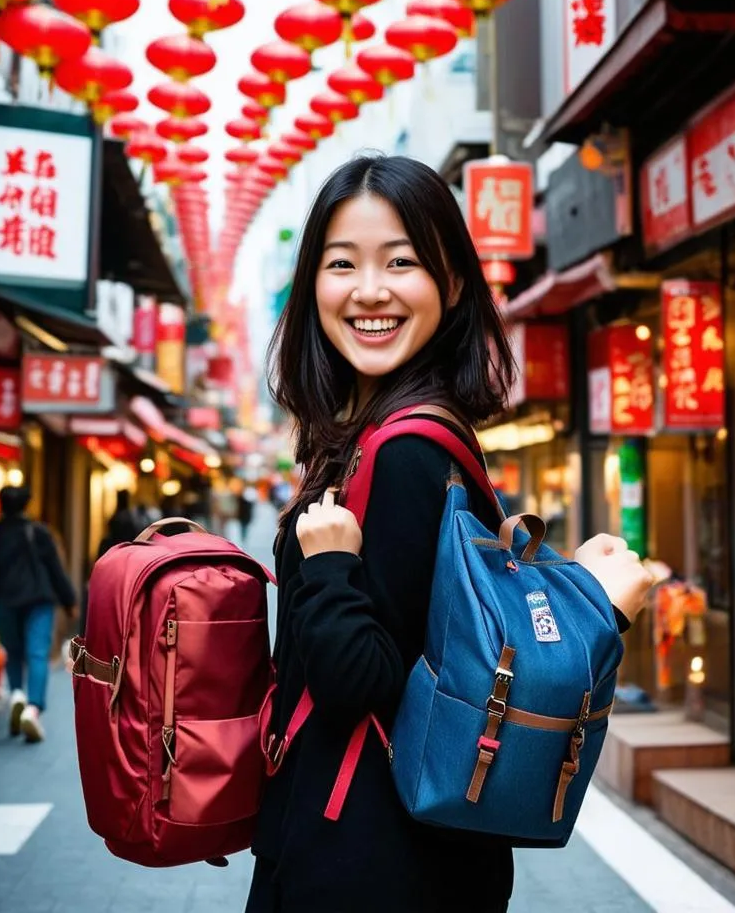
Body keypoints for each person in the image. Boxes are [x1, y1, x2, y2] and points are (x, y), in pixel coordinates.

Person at [247, 155, 653, 913]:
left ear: (453, 283)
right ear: (313, 287)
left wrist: (329, 566)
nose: (369, 291)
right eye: (342, 264)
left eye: (401, 262)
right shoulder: (384, 436)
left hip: (367, 863)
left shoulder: (405, 451)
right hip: (393, 851)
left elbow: (360, 681)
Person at [0, 486, 77, 743]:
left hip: (5, 602)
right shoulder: (39, 532)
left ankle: (17, 694)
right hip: (38, 601)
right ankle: (32, 708)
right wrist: (69, 600)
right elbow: (54, 568)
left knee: (14, 652)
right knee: (37, 653)